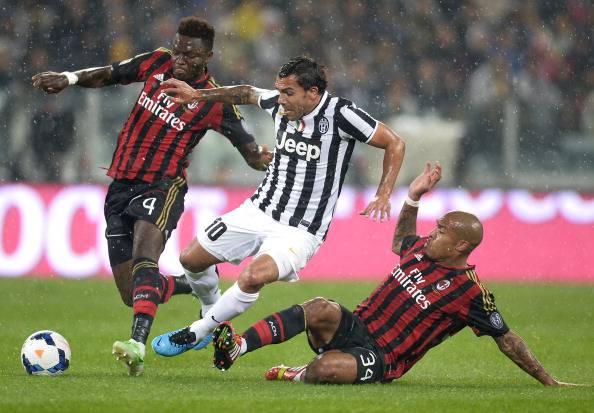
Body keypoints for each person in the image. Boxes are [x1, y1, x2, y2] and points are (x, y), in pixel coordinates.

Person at [31, 16, 272, 376]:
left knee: (147, 258)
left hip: (163, 185)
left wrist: (263, 157)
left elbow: (248, 148)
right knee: (133, 293)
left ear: (207, 56)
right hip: (120, 186)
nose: (179, 59)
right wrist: (68, 79)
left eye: (189, 55)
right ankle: (191, 284)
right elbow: (111, 73)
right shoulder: (157, 62)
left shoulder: (213, 101)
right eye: (178, 50)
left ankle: (136, 345)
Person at [209, 162, 579, 386]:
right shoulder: (420, 250)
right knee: (319, 306)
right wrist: (413, 197)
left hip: (383, 357)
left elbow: (506, 338)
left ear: (459, 248)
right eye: (435, 227)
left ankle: (298, 373)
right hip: (355, 326)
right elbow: (401, 238)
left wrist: (548, 381)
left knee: (326, 369)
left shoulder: (469, 293)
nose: (432, 233)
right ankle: (238, 347)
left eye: (441, 231)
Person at [152, 56, 406, 356]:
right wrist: (198, 94)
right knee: (191, 259)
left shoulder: (341, 113)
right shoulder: (277, 103)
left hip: (300, 229)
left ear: (313, 93)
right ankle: (211, 312)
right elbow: (246, 92)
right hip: (259, 209)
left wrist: (383, 193)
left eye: (289, 93)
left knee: (252, 277)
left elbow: (395, 143)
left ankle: (197, 332)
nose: (280, 99)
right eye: (279, 90)